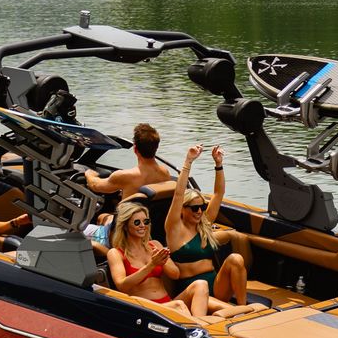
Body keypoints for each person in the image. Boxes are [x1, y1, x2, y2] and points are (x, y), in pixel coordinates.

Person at [163, 144, 249, 309]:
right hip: (192, 290)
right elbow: (178, 194)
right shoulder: (174, 229)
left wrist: (218, 164)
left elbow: (218, 194)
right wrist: (188, 161)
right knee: (221, 303)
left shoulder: (204, 224)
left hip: (216, 285)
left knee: (235, 259)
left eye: (202, 207)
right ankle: (240, 311)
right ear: (183, 208)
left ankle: (242, 306)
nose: (199, 211)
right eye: (195, 208)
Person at [83, 123, 176, 249]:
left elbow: (95, 186)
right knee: (102, 217)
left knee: (79, 230)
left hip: (124, 234)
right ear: (156, 148)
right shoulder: (165, 173)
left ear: (135, 149)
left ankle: (105, 252)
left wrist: (89, 174)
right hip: (149, 230)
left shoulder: (125, 176)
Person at [104, 198, 182, 307]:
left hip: (167, 302)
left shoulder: (155, 245)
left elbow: (175, 275)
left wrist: (163, 261)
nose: (142, 225)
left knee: (200, 285)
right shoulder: (115, 253)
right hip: (145, 308)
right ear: (125, 226)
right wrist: (152, 265)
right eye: (137, 222)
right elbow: (122, 286)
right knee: (179, 305)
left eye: (146, 221)